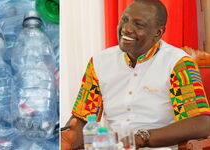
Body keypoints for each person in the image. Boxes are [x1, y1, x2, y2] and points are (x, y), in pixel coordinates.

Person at [61, 0, 210, 149]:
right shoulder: (99, 62)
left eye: (138, 24)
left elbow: (201, 123)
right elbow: (83, 119)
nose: (126, 29)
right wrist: (66, 140)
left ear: (158, 33)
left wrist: (141, 138)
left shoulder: (178, 63)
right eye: (124, 20)